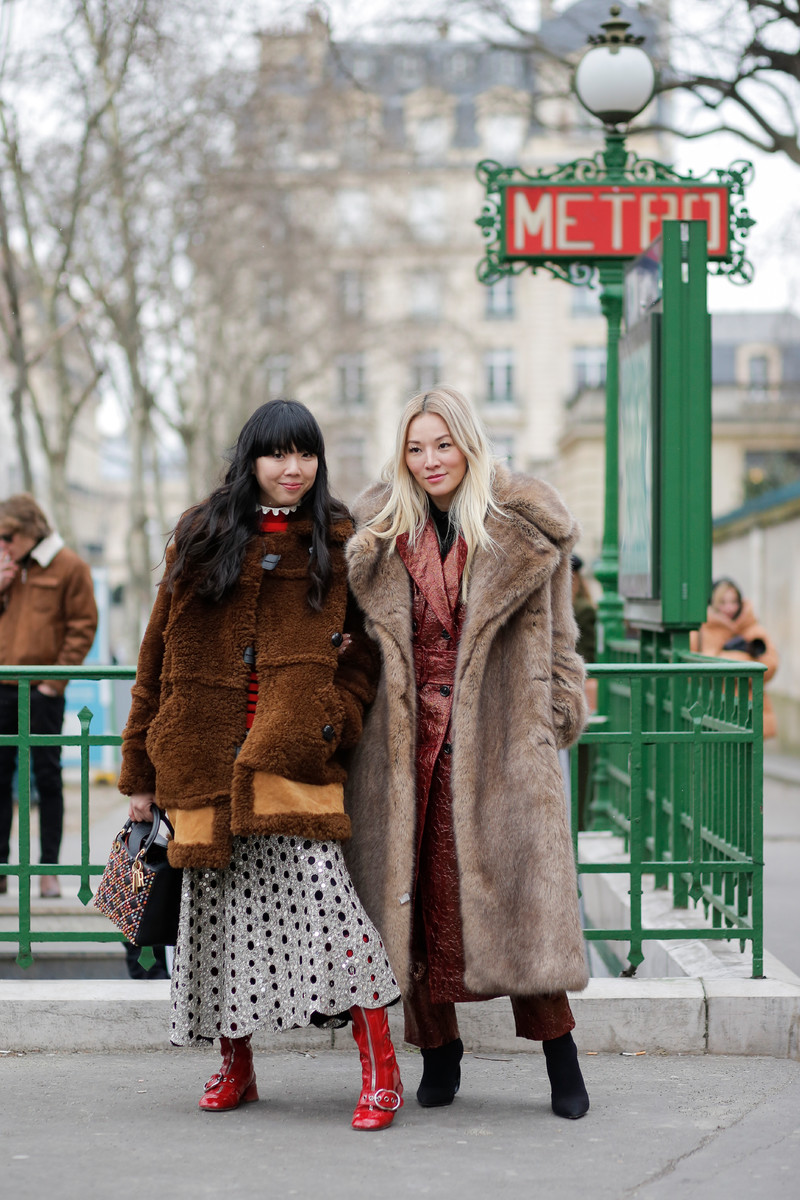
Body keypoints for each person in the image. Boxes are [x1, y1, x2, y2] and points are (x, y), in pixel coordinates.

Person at [116, 399, 403, 1128]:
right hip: (202, 763)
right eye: (277, 453)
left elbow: (365, 658)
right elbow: (154, 656)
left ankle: (382, 1073)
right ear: (251, 460)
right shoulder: (201, 534)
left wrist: (331, 719)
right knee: (216, 926)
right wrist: (140, 775)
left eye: (305, 453)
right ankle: (235, 1066)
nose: (292, 468)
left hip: (290, 762)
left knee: (336, 919)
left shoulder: (340, 540)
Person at [343, 385, 591, 1120]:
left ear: (469, 444)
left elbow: (563, 643)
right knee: (415, 904)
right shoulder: (378, 532)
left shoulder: (524, 527)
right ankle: (438, 1051)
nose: (430, 460)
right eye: (416, 448)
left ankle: (561, 1056)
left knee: (520, 902)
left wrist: (551, 718)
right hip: (402, 747)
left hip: (500, 742)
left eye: (442, 444)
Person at [0, 495, 98, 898]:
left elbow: (83, 627)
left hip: (42, 691)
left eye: (8, 536)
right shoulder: (5, 565)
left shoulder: (69, 566)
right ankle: (2, 869)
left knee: (47, 778)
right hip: (3, 686)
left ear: (31, 530)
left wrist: (53, 684)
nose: (3, 544)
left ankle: (48, 870)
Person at [691, 578, 779, 739]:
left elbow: (771, 665)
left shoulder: (752, 627)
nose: (729, 608)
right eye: (722, 602)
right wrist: (743, 661)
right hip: (715, 711)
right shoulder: (701, 631)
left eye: (734, 602)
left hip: (750, 712)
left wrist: (727, 659)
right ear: (712, 603)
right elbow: (691, 669)